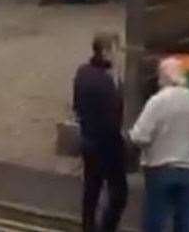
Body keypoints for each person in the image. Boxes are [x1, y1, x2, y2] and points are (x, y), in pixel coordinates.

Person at [129, 57, 189, 232]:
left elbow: (139, 136)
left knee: (155, 220)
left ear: (162, 77)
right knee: (186, 221)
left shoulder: (158, 101)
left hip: (160, 168)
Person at [73, 32, 128, 232]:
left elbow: (77, 106)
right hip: (108, 145)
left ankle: (87, 226)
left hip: (88, 140)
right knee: (119, 194)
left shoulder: (82, 72)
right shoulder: (106, 81)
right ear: (105, 52)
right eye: (116, 49)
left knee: (92, 189)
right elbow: (114, 117)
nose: (119, 54)